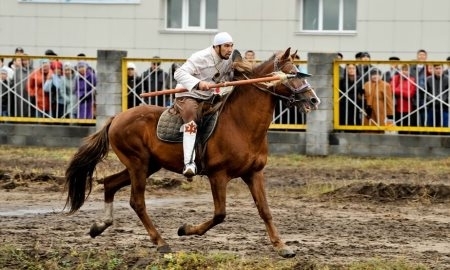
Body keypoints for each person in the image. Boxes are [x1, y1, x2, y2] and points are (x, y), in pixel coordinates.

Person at [174, 31, 235, 177]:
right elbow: (178, 74)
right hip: (188, 94)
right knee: (191, 117)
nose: (230, 49)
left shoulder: (228, 59)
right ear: (217, 46)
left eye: (231, 46)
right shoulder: (200, 57)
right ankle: (189, 163)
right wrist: (198, 83)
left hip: (209, 96)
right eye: (226, 46)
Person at [390, 64, 417, 129]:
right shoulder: (395, 78)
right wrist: (404, 91)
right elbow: (391, 90)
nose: (405, 72)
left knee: (408, 126)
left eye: (406, 70)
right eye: (403, 70)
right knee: (399, 126)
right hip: (397, 107)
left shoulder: (412, 79)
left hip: (408, 107)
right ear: (400, 70)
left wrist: (398, 89)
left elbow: (410, 94)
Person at [410, 49, 431, 126]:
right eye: (420, 55)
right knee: (414, 113)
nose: (421, 56)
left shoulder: (429, 67)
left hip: (425, 94)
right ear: (417, 56)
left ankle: (424, 128)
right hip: (414, 93)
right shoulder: (411, 67)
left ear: (426, 57)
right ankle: (414, 130)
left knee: (424, 112)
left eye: (423, 55)